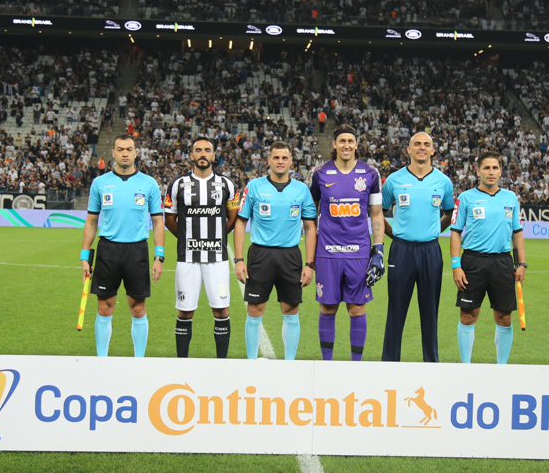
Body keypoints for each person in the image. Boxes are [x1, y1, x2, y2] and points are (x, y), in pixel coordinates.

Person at [81, 134, 165, 358]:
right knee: (104, 307)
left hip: (137, 251)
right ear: (114, 153)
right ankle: (102, 359)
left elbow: (158, 222)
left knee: (138, 308)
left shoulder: (148, 183)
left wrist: (159, 256)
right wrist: (84, 256)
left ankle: (139, 361)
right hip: (108, 250)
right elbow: (91, 222)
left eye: (129, 149)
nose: (125, 153)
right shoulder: (100, 183)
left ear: (136, 153)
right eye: (120, 149)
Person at [234, 141, 317, 360]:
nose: (280, 161)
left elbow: (310, 228)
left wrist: (309, 264)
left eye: (285, 158)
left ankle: (289, 363)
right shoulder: (254, 187)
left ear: (291, 161)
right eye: (276, 157)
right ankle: (251, 361)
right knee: (255, 310)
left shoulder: (301, 190)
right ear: (269, 160)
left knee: (291, 311)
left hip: (290, 256)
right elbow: (241, 223)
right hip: (260, 255)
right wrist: (239, 259)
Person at [308, 126, 385, 361]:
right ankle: (327, 364)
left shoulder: (370, 174)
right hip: (328, 252)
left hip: (359, 253)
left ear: (356, 144)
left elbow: (376, 213)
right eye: (342, 141)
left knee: (357, 309)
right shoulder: (319, 173)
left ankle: (355, 365)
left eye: (350, 141)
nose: (346, 145)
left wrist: (378, 250)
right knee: (327, 308)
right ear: (334, 144)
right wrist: (310, 258)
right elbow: (310, 215)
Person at [381, 131, 454, 362]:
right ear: (409, 149)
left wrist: (433, 231)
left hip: (431, 251)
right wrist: (395, 235)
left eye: (427, 144)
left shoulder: (443, 181)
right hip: (401, 251)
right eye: (417, 144)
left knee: (430, 311)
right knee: (396, 310)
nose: (422, 147)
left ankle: (431, 363)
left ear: (433, 150)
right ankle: (389, 363)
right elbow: (377, 214)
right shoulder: (393, 180)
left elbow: (449, 212)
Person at [165, 137, 240, 358]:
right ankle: (182, 363)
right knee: (185, 310)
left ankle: (221, 363)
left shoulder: (227, 184)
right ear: (191, 155)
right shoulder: (177, 184)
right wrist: (188, 238)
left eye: (207, 150)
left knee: (220, 309)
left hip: (217, 257)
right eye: (198, 150)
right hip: (186, 257)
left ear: (214, 155)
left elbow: (233, 217)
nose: (203, 154)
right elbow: (169, 219)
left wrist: (215, 237)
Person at [450, 152, 527, 364]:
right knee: (468, 315)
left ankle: (501, 368)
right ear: (478, 171)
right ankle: (466, 366)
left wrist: (522, 263)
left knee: (504, 318)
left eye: (495, 168)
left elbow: (517, 232)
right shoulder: (465, 198)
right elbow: (456, 231)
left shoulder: (510, 198)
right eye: (486, 168)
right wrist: (456, 265)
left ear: (501, 171)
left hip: (502, 263)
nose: (491, 172)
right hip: (473, 262)